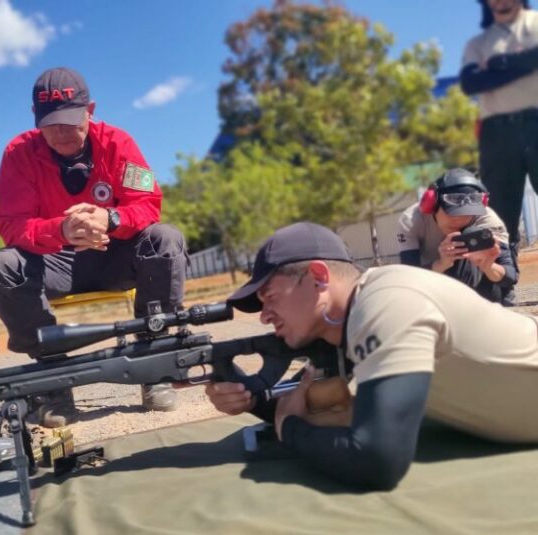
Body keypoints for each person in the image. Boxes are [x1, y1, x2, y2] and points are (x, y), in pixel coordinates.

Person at [207, 222, 538, 489]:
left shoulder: (387, 303)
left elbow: (377, 459)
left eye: (271, 297)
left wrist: (289, 430)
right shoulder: (349, 320)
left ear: (318, 278)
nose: (265, 315)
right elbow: (309, 403)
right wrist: (248, 398)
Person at [0, 67, 188, 427]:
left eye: (71, 121)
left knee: (166, 239)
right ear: (35, 117)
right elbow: (11, 225)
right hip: (54, 261)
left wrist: (110, 220)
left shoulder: (118, 143)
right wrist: (61, 229)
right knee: (2, 266)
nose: (60, 133)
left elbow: (148, 205)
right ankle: (53, 382)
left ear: (90, 110)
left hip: (114, 254)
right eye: (51, 124)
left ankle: (154, 366)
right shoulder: (18, 153)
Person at [460, 0, 538, 249]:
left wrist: (498, 64)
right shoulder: (478, 44)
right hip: (496, 132)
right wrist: (527, 62)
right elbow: (471, 83)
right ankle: (503, 285)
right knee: (499, 218)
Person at [396, 167, 517, 305]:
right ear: (432, 204)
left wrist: (489, 266)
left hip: (482, 283)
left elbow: (510, 276)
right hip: (430, 280)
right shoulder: (412, 220)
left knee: (473, 234)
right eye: (452, 212)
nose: (459, 219)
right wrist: (442, 263)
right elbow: (410, 277)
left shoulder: (488, 219)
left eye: (467, 213)